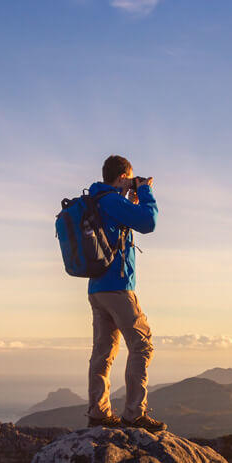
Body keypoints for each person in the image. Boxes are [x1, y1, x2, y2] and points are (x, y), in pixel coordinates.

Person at [85, 155, 166, 431]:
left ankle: (99, 412)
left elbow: (122, 223)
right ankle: (134, 414)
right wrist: (145, 190)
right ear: (122, 177)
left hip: (97, 288)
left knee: (103, 351)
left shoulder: (99, 199)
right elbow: (148, 222)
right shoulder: (110, 200)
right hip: (118, 286)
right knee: (142, 345)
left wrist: (129, 197)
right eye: (129, 179)